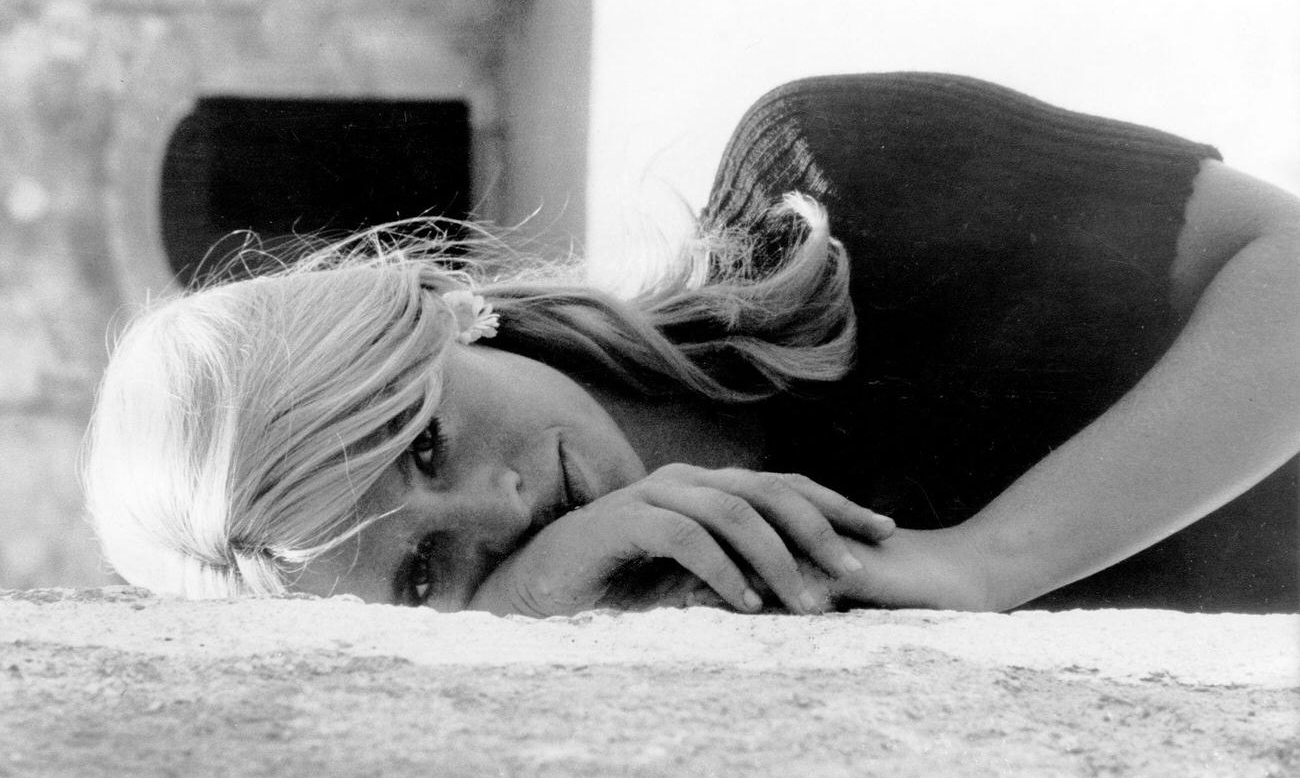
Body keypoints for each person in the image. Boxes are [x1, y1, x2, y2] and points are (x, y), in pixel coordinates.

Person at [84, 73, 1300, 615]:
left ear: (441, 315)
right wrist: (542, 608)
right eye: (421, 573)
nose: (499, 511)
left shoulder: (827, 182)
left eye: (425, 446)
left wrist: (983, 562)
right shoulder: (662, 675)